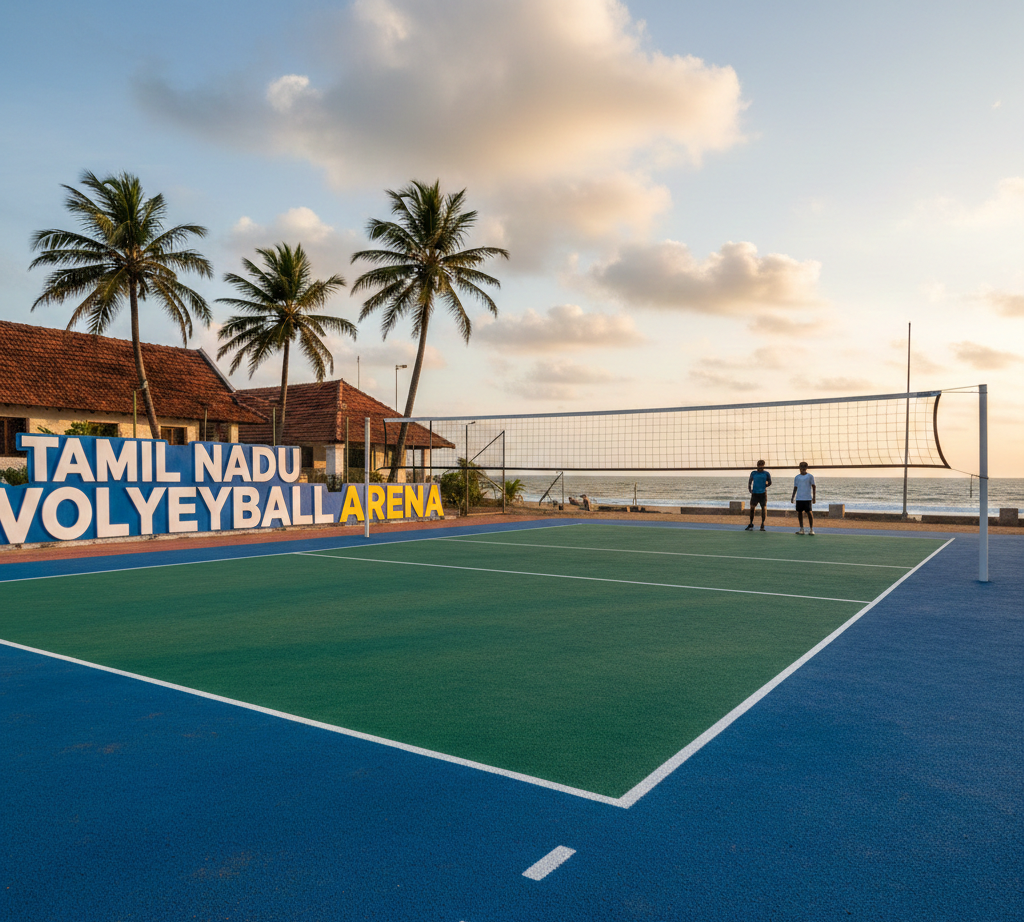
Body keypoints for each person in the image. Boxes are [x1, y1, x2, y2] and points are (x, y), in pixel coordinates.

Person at [744, 459, 772, 531]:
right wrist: (749, 489)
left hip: (763, 493)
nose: (761, 467)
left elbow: (770, 482)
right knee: (752, 508)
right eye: (759, 465)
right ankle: (751, 524)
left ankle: (762, 525)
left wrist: (766, 485)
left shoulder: (766, 473)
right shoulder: (753, 473)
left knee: (763, 508)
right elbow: (750, 481)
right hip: (755, 493)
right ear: (757, 466)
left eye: (762, 465)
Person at [790, 461, 816, 534]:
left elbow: (814, 486)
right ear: (799, 467)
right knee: (799, 513)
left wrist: (814, 497)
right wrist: (792, 497)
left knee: (809, 513)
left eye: (804, 466)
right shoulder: (797, 477)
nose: (803, 468)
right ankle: (802, 529)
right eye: (801, 466)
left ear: (806, 468)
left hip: (807, 498)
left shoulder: (810, 476)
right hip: (799, 498)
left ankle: (811, 529)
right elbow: (795, 487)